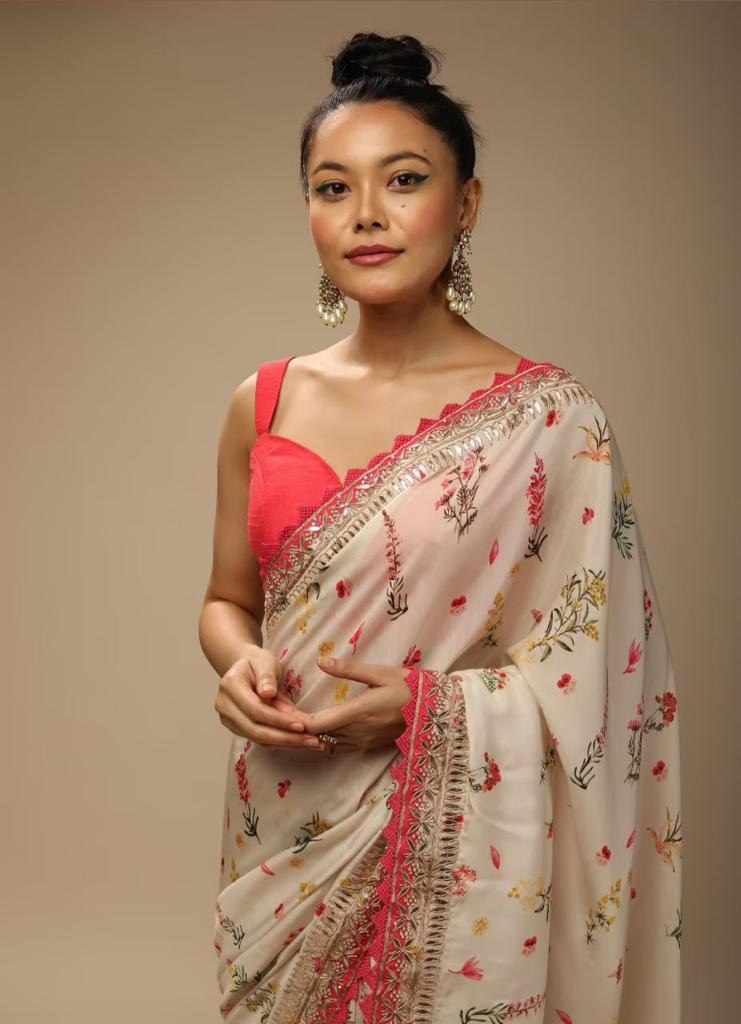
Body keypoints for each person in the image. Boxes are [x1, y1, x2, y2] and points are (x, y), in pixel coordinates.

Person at [200, 32, 682, 1024]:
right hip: (282, 817)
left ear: (466, 204)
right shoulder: (265, 400)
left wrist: (427, 711)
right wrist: (239, 661)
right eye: (332, 188)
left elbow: (602, 678)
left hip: (449, 836)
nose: (366, 214)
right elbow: (226, 600)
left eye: (404, 180)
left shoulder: (552, 421)